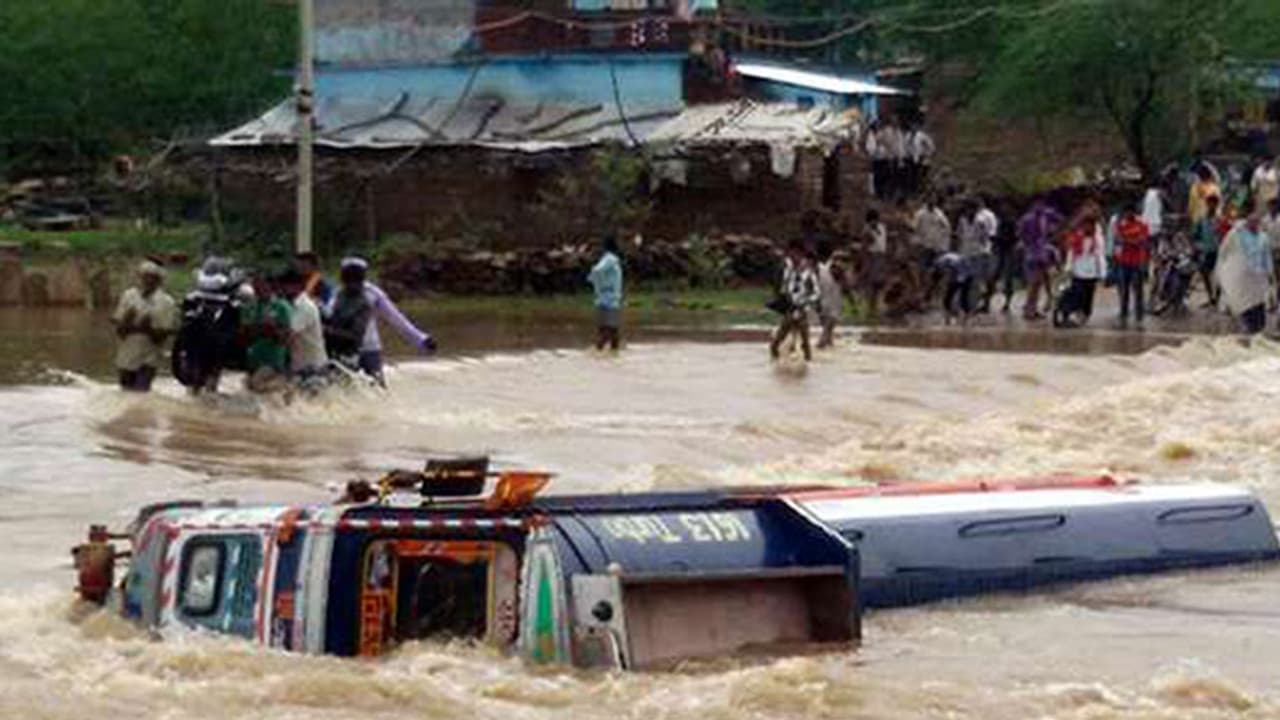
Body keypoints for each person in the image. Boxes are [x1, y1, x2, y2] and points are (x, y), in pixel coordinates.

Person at [325, 257, 436, 384]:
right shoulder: (336, 295)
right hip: (344, 349)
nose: (351, 283)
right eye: (348, 278)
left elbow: (396, 319)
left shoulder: (373, 294)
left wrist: (421, 339)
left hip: (369, 350)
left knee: (377, 389)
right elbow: (328, 317)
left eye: (355, 278)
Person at [112, 261, 178, 392]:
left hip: (148, 358)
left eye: (151, 277)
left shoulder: (167, 302)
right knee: (125, 393)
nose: (147, 281)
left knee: (141, 393)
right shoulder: (128, 296)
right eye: (144, 276)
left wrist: (147, 328)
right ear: (139, 278)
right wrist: (127, 321)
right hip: (126, 355)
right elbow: (119, 331)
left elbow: (162, 337)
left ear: (159, 280)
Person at [1216, 213, 1274, 334]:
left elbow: (1266, 257)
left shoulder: (1263, 238)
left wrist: (1270, 275)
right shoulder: (1237, 236)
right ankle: (1249, 332)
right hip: (1243, 279)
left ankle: (1257, 332)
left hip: (1258, 279)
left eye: (1256, 223)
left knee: (1260, 311)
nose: (1254, 225)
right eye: (1251, 222)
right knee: (1246, 309)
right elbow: (1225, 253)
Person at [241, 271, 293, 393]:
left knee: (256, 384)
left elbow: (285, 339)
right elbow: (244, 335)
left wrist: (272, 328)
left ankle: (286, 387)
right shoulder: (249, 306)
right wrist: (253, 328)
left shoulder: (281, 307)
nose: (257, 287)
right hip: (253, 359)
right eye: (255, 284)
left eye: (261, 284)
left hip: (272, 361)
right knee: (249, 388)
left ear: (270, 286)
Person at [1055, 214, 1107, 328]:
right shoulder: (1077, 238)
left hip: (1092, 272)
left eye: (1091, 226)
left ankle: (1085, 314)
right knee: (1077, 294)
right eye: (1086, 226)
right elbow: (1071, 253)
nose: (1088, 228)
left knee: (1088, 296)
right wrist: (1068, 268)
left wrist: (1102, 273)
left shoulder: (1098, 239)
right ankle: (1072, 314)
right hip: (1078, 272)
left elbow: (1100, 256)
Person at [770, 242, 819, 362]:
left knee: (805, 343)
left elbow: (816, 293)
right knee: (776, 342)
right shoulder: (788, 270)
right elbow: (784, 288)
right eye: (791, 254)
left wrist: (806, 301)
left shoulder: (809, 273)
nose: (792, 256)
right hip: (790, 308)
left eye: (794, 254)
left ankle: (807, 365)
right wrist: (782, 298)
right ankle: (776, 363)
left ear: (800, 254)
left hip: (802, 309)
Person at [280, 267, 329, 379]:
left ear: (297, 286)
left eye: (285, 286)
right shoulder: (293, 305)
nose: (282, 289)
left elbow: (288, 336)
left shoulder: (304, 307)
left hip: (312, 367)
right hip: (301, 365)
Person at [1018, 199, 1062, 321]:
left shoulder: (1041, 216)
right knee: (1034, 283)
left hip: (1038, 252)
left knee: (1037, 283)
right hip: (1036, 253)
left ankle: (1032, 308)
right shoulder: (1038, 217)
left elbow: (1021, 235)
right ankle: (1029, 310)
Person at [1112, 209, 1151, 328]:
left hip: (1137, 261)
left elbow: (1142, 241)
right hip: (1124, 261)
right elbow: (1118, 239)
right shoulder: (1121, 225)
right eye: (1126, 213)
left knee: (1138, 290)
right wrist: (1132, 240)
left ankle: (1139, 315)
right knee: (1124, 290)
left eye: (1130, 213)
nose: (1128, 215)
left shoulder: (1141, 225)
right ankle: (1124, 313)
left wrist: (1128, 240)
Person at [587, 235, 624, 352]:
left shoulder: (607, 259)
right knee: (608, 330)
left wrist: (598, 283)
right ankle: (598, 351)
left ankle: (613, 353)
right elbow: (597, 270)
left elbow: (594, 274)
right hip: (610, 300)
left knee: (613, 331)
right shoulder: (611, 259)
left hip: (605, 299)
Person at [912, 197, 951, 304]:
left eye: (934, 201)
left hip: (938, 247)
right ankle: (921, 296)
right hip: (925, 246)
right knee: (923, 272)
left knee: (938, 272)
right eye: (930, 200)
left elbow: (947, 229)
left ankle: (930, 293)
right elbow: (914, 229)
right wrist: (917, 243)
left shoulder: (939, 214)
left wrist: (944, 246)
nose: (932, 202)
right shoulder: (920, 214)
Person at [1191, 194, 1224, 307]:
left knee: (1220, 275)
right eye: (1209, 203)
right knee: (1204, 272)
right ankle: (1211, 296)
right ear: (1207, 204)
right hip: (1207, 250)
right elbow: (1195, 235)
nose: (1211, 206)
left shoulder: (1220, 219)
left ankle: (1217, 297)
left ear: (1217, 205)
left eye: (1214, 203)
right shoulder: (1202, 219)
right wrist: (1198, 246)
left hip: (1219, 250)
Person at [861, 209, 889, 320]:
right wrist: (865, 262)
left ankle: (875, 308)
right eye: (872, 221)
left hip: (881, 256)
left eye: (876, 220)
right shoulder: (866, 231)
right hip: (872, 257)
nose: (875, 223)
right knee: (872, 284)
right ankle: (870, 309)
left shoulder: (882, 227)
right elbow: (864, 247)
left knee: (879, 284)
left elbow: (883, 242)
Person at [815, 242, 843, 349]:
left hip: (826, 301)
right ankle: (822, 345)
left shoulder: (820, 267)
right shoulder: (833, 268)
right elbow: (847, 286)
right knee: (827, 328)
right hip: (831, 303)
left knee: (828, 329)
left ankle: (828, 343)